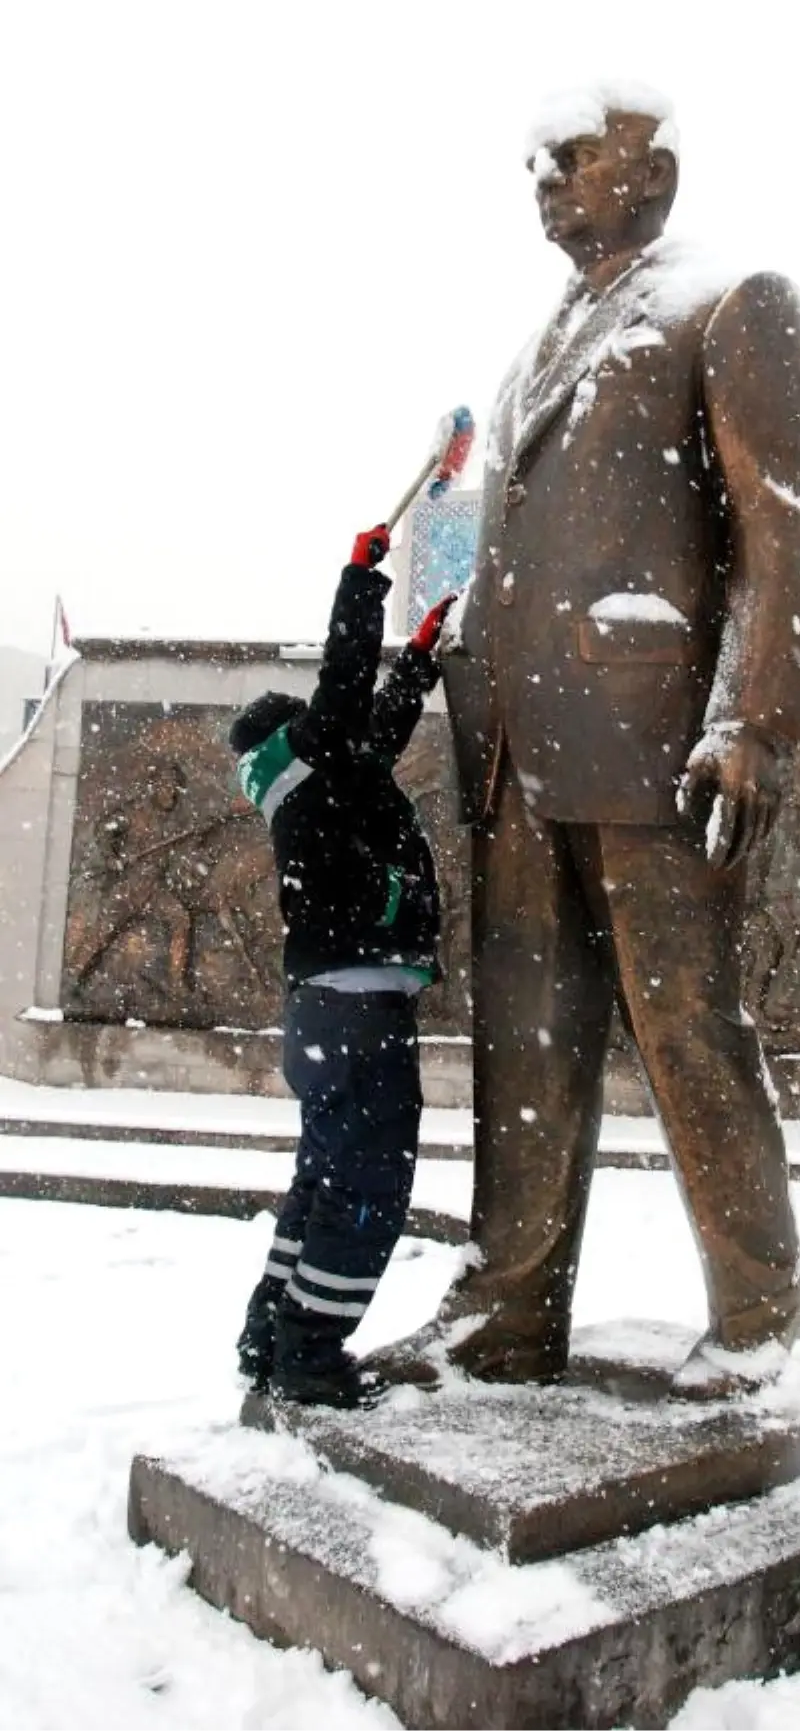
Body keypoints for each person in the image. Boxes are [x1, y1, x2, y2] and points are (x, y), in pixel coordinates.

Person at [374, 85, 800, 1400]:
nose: (547, 178)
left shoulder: (731, 302)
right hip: (515, 747)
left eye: (572, 156)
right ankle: (508, 1309)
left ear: (656, 168)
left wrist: (749, 720)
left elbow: (779, 538)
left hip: (654, 742)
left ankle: (760, 1318)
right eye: (536, 163)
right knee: (526, 1044)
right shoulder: (533, 349)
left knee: (689, 1033)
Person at [228, 523, 452, 1407]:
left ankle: (269, 1335)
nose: (341, 728)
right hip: (358, 1017)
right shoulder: (308, 767)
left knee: (322, 1179)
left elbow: (373, 728)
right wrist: (364, 583)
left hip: (324, 1015)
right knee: (367, 1188)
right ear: (295, 734)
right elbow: (346, 688)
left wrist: (421, 662)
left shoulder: (311, 788)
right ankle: (311, 1357)